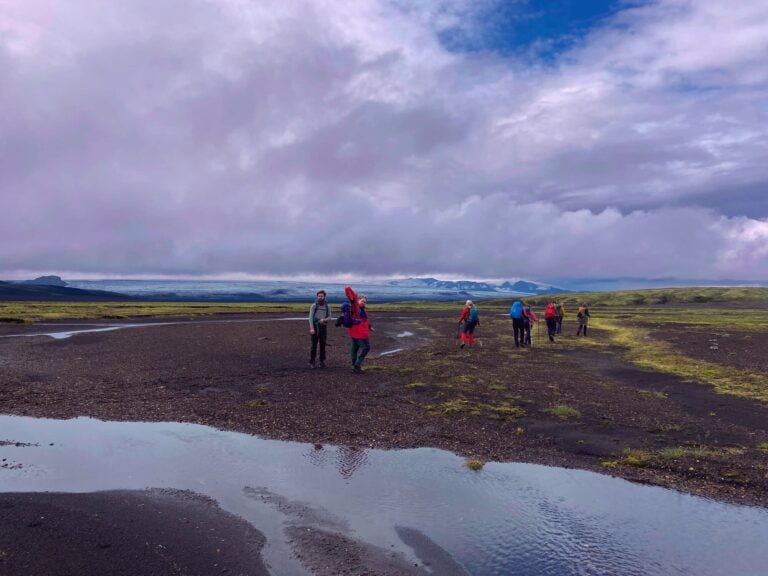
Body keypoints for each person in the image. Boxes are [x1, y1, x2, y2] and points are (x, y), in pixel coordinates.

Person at [345, 286, 372, 373]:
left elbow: (365, 321)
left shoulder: (362, 310)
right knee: (366, 348)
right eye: (362, 301)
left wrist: (369, 327)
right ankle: (357, 365)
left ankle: (354, 366)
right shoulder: (356, 308)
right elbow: (350, 295)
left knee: (354, 350)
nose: (364, 303)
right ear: (358, 300)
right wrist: (349, 290)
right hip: (360, 335)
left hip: (355, 334)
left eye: (365, 302)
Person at [308, 290, 331, 368]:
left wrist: (324, 320)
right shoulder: (314, 305)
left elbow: (330, 317)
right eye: (319, 296)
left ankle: (322, 361)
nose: (320, 297)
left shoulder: (327, 306)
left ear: (324, 297)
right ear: (317, 296)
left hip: (323, 327)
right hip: (315, 326)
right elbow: (310, 318)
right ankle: (312, 362)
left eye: (322, 296)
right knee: (313, 345)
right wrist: (311, 328)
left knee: (323, 345)